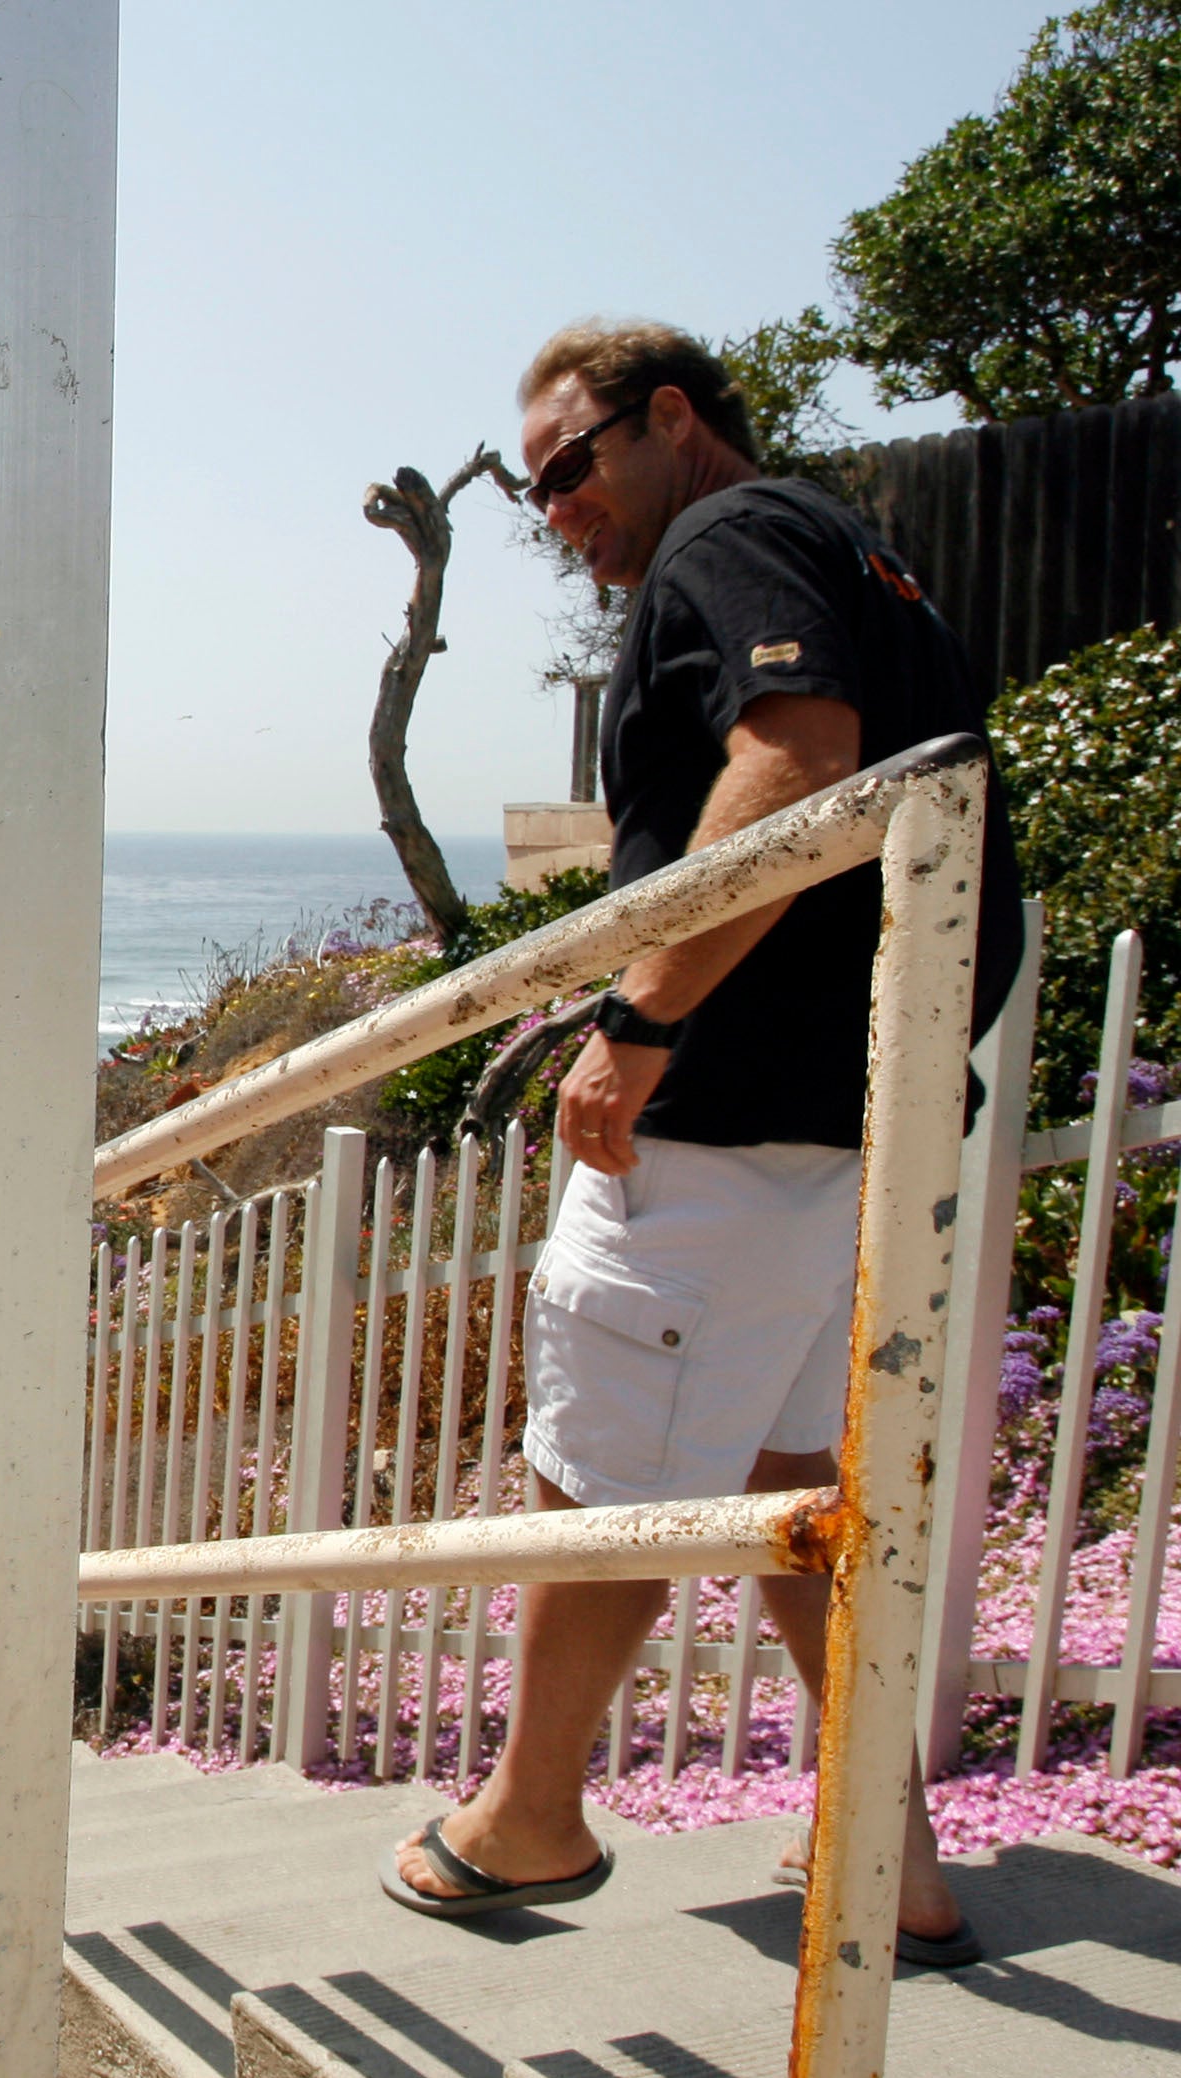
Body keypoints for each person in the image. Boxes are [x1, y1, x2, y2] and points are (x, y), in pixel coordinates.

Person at [379, 319, 1019, 1971]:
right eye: (533, 495)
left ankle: (526, 1820)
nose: (559, 511)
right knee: (788, 1481)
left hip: (732, 1126)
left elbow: (798, 757)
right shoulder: (861, 554)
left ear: (669, 421)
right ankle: (895, 1861)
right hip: (855, 1123)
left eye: (573, 467)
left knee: (602, 1478)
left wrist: (641, 1018)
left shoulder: (731, 539)